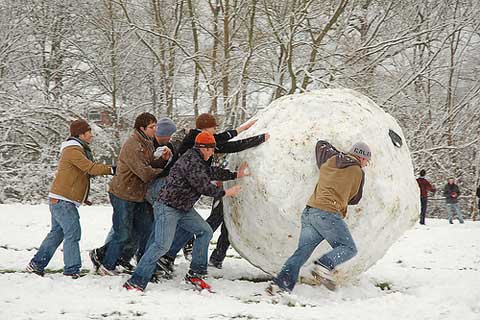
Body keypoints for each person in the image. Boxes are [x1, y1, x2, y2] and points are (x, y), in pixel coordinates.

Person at [123, 132, 248, 292]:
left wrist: (236, 174)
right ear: (202, 148)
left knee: (205, 231)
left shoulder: (200, 160)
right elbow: (204, 186)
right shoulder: (191, 161)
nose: (213, 152)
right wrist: (226, 193)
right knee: (161, 246)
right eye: (211, 149)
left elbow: (211, 172)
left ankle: (196, 273)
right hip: (167, 207)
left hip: (183, 207)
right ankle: (136, 281)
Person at [158, 113, 269, 273]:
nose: (215, 130)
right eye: (213, 127)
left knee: (187, 225)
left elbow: (220, 144)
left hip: (180, 191)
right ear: (205, 128)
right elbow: (229, 146)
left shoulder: (200, 140)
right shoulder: (198, 141)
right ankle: (159, 263)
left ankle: (168, 258)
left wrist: (241, 130)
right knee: (175, 231)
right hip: (174, 189)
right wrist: (259, 139)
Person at [266, 140, 370, 294]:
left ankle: (280, 284)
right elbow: (355, 199)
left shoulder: (331, 159)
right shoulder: (358, 171)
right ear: (362, 157)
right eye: (367, 161)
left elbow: (321, 144)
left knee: (301, 253)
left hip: (310, 211)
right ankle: (324, 265)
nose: (366, 165)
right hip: (327, 213)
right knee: (349, 248)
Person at [26, 119, 114, 278]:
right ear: (81, 134)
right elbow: (91, 168)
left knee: (57, 234)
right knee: (73, 233)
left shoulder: (76, 148)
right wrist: (113, 169)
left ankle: (36, 264)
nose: (92, 135)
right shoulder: (73, 150)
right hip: (62, 200)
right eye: (89, 132)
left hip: (60, 199)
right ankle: (72, 270)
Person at [89, 117, 177, 272]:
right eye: (152, 126)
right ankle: (106, 264)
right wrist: (166, 172)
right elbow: (144, 172)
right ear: (142, 128)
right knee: (122, 233)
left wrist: (164, 160)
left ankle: (124, 260)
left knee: (144, 229)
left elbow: (149, 164)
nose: (155, 130)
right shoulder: (133, 145)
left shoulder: (147, 142)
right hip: (123, 194)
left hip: (137, 195)